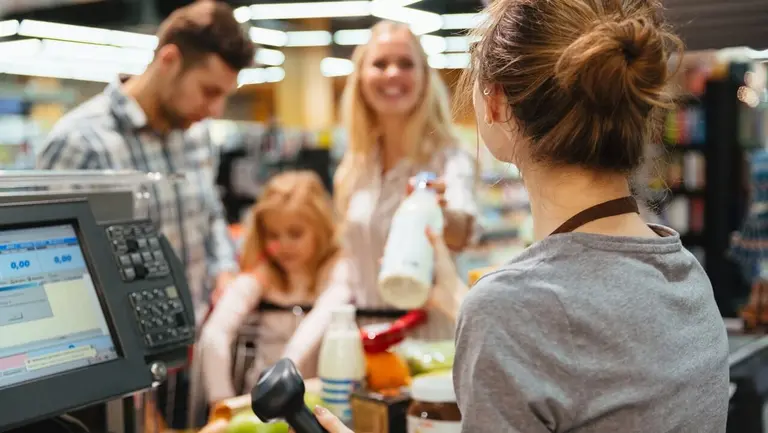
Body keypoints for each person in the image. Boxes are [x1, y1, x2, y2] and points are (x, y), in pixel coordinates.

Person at [320, 0, 731, 431]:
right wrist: (453, 295)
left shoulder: (510, 309)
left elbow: (536, 328)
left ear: (495, 104)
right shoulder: (686, 274)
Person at [36, 2, 255, 429]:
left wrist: (225, 272)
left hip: (189, 360)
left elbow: (210, 216)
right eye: (209, 91)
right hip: (118, 382)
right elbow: (60, 278)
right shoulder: (82, 143)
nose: (214, 110)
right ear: (169, 59)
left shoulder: (194, 137)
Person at [275, 21, 480, 363]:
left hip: (430, 342)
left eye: (405, 63)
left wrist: (441, 215)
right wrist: (295, 353)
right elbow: (350, 272)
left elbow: (463, 232)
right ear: (361, 77)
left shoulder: (448, 156)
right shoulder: (355, 166)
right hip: (365, 343)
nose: (392, 74)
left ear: (425, 77)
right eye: (380, 63)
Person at [199, 171, 342, 404]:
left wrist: (285, 374)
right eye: (273, 235)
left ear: (321, 228)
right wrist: (221, 401)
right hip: (263, 405)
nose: (284, 244)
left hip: (322, 401)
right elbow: (215, 334)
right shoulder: (259, 278)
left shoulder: (337, 272)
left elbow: (320, 321)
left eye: (295, 233)